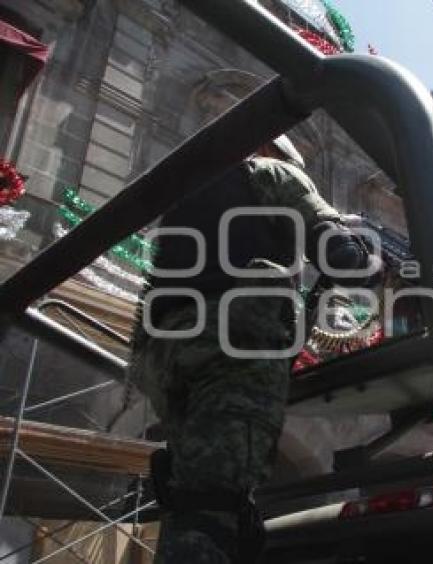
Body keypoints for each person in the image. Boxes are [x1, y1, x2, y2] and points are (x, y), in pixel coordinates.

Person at [129, 134, 379, 563]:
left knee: (194, 491)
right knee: (215, 501)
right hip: (232, 340)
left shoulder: (190, 196)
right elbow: (332, 243)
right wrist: (361, 259)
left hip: (163, 352)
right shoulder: (276, 173)